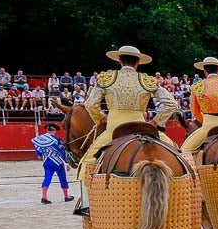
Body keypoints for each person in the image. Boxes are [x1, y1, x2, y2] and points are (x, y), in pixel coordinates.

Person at [75, 45, 179, 216]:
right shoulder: (146, 81)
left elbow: (90, 105)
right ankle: (184, 191)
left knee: (86, 163)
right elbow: (171, 104)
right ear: (138, 62)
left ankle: (86, 204)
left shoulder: (107, 78)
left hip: (114, 129)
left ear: (119, 60)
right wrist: (154, 121)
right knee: (177, 151)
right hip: (143, 128)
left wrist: (100, 118)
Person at [31, 122, 73, 203]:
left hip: (46, 161)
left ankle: (44, 197)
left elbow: (37, 150)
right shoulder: (56, 140)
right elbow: (62, 151)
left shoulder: (40, 138)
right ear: (54, 131)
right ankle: (66, 196)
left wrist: (39, 154)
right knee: (62, 178)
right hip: (57, 161)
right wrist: (67, 162)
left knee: (47, 178)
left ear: (47, 130)